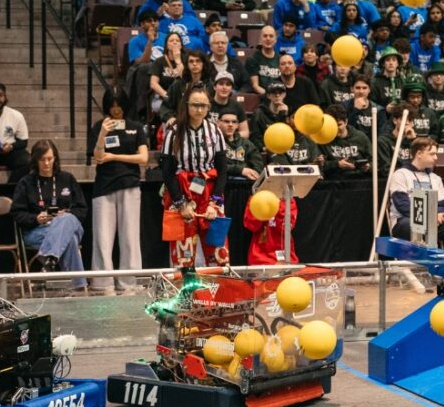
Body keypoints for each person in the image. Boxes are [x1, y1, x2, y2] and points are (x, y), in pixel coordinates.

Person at [159, 87, 228, 267]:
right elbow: (167, 171)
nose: (199, 109)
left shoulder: (215, 131)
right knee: (183, 255)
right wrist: (180, 203)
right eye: (195, 105)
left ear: (209, 107)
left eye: (203, 105)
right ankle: (186, 294)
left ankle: (219, 293)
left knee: (219, 253)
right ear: (187, 106)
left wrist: (215, 203)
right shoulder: (173, 132)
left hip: (211, 192)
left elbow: (222, 170)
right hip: (181, 191)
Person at [89, 88, 148, 293]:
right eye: (112, 105)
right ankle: (103, 284)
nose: (115, 109)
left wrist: (115, 157)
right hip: (103, 187)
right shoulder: (98, 127)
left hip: (130, 185)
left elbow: (143, 158)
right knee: (103, 238)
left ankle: (129, 284)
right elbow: (97, 156)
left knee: (130, 237)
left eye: (119, 104)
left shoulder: (136, 127)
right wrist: (104, 133)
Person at [11, 140, 88, 287]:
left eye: (50, 159)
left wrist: (64, 215)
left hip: (67, 225)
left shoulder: (67, 178)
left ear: (55, 159)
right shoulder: (26, 182)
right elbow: (17, 213)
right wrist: (36, 219)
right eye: (42, 160)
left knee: (66, 219)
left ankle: (49, 259)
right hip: (37, 230)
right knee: (69, 239)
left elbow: (82, 209)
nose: (46, 163)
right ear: (35, 160)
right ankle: (78, 286)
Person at [387, 136, 444, 247]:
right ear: (419, 154)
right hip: (405, 220)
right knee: (416, 227)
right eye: (432, 154)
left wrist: (438, 216)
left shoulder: (435, 178)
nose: (436, 158)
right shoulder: (400, 174)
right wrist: (428, 217)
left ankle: (443, 262)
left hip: (433, 221)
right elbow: (403, 206)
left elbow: (442, 205)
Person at [243, 193, 298, 265]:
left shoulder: (288, 200)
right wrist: (261, 206)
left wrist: (280, 204)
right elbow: (251, 226)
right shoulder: (256, 199)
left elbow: (285, 227)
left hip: (285, 258)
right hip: (260, 258)